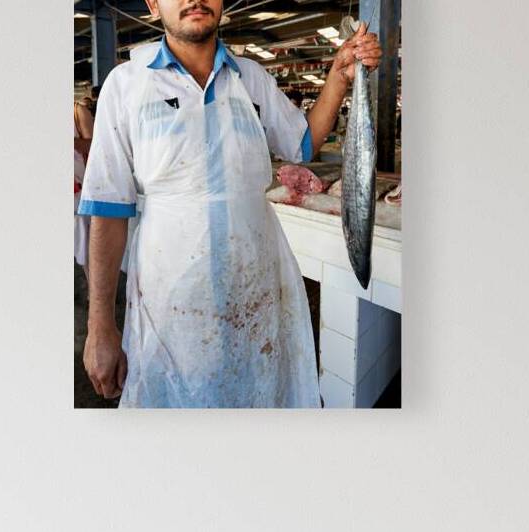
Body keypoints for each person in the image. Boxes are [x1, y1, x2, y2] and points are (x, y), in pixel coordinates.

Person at [78, 0, 382, 407]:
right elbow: (108, 209)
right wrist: (101, 325)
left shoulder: (251, 76)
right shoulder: (126, 84)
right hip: (171, 303)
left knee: (260, 399)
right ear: (152, 5)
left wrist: (340, 78)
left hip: (257, 286)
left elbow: (302, 142)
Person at [74, 99, 94, 269]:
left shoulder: (77, 111)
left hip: (80, 190)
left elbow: (94, 146)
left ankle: (92, 289)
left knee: (85, 244)